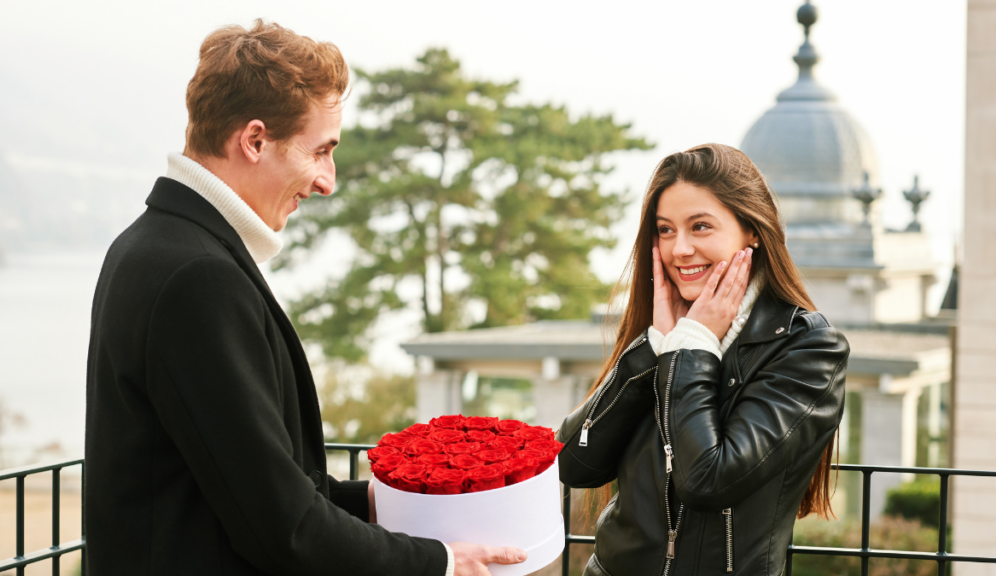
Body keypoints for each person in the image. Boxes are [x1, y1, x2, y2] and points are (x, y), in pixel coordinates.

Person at [84, 20, 525, 576]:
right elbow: (283, 528)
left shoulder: (150, 245)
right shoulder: (197, 277)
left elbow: (255, 485)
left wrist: (409, 496)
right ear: (254, 140)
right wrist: (440, 564)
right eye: (320, 151)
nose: (328, 180)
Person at [556, 143, 848, 576]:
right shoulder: (661, 328)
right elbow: (574, 462)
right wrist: (656, 347)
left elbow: (708, 480)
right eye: (666, 229)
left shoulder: (808, 349)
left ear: (752, 229)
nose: (680, 249)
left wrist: (690, 348)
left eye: (701, 227)